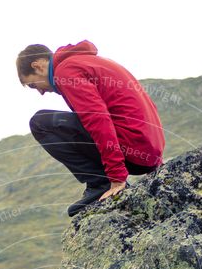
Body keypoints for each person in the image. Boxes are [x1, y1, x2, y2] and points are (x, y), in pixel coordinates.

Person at [16, 40, 165, 216]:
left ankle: (98, 183)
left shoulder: (66, 71)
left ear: (38, 66)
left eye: (33, 85)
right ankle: (99, 182)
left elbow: (98, 121)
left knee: (40, 122)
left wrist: (116, 178)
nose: (40, 92)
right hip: (147, 155)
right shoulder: (87, 61)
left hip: (134, 152)